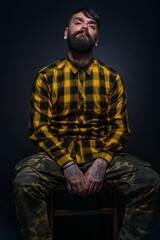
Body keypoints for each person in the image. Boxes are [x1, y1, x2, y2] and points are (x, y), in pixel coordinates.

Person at [13, 7, 160, 240]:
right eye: (78, 22)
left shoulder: (112, 78)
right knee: (25, 182)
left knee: (149, 181)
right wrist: (67, 164)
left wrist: (101, 162)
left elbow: (120, 128)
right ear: (66, 32)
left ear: (97, 39)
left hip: (101, 154)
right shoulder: (46, 76)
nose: (84, 27)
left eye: (91, 26)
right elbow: (39, 128)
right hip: (56, 156)